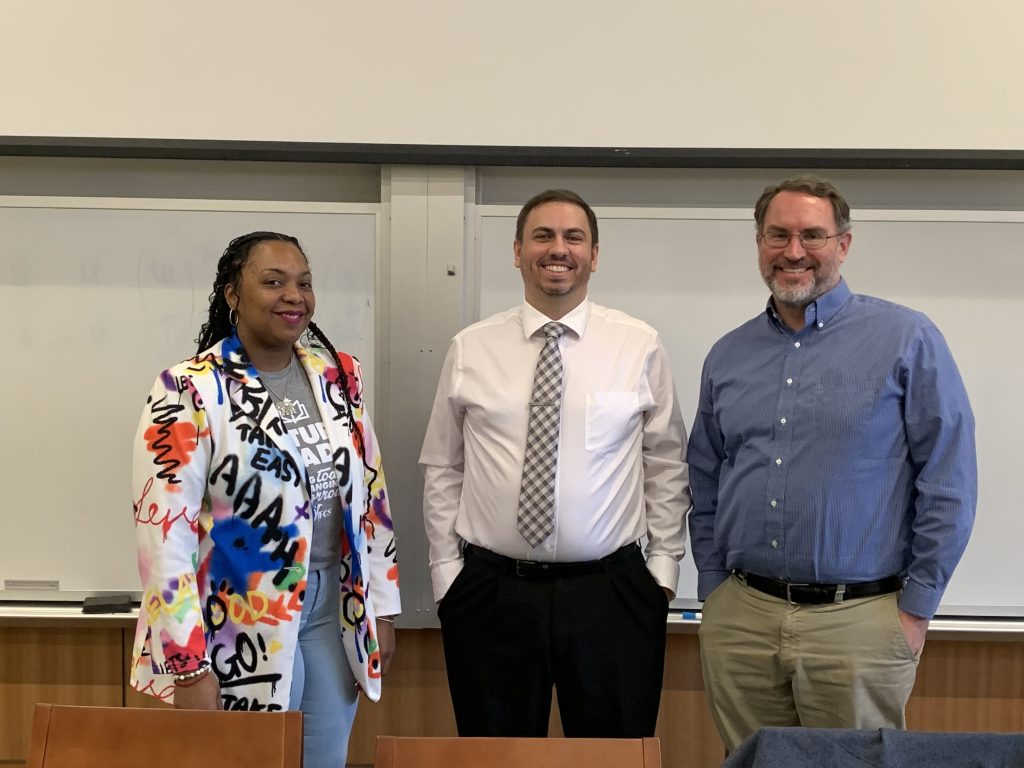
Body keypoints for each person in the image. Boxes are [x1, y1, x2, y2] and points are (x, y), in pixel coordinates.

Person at [688, 175, 977, 751]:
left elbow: (948, 482)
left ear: (843, 244)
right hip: (742, 619)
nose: (794, 251)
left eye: (812, 235)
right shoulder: (728, 354)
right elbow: (706, 478)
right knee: (752, 765)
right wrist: (716, 588)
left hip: (861, 622)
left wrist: (916, 610)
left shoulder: (907, 339)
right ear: (759, 242)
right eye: (778, 235)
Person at [420, 189, 691, 737]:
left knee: (612, 754)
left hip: (611, 596)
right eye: (543, 235)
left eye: (574, 237)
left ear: (595, 254)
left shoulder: (639, 345)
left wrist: (662, 570)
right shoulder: (472, 348)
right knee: (495, 758)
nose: (558, 249)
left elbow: (665, 460)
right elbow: (443, 466)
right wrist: (448, 574)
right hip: (492, 595)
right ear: (517, 251)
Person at [130, 231, 400, 768]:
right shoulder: (188, 390)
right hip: (236, 616)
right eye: (272, 282)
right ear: (233, 294)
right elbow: (164, 536)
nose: (292, 296)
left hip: (332, 608)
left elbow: (370, 494)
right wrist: (188, 664)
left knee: (324, 758)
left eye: (303, 283)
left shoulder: (337, 376)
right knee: (249, 760)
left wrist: (383, 609)